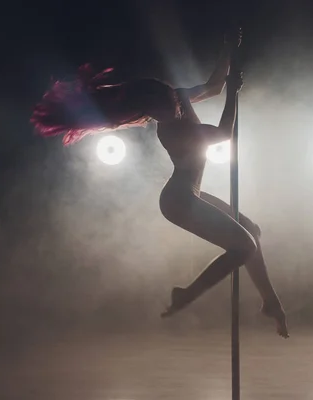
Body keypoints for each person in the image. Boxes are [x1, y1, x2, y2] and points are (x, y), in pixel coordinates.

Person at [30, 32, 288, 338]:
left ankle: (271, 302)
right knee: (244, 246)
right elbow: (222, 135)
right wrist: (234, 93)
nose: (161, 116)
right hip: (178, 201)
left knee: (252, 231)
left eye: (162, 108)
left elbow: (213, 86)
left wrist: (228, 51)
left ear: (166, 97)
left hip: (189, 194)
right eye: (154, 113)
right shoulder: (171, 132)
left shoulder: (177, 96)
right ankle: (187, 293)